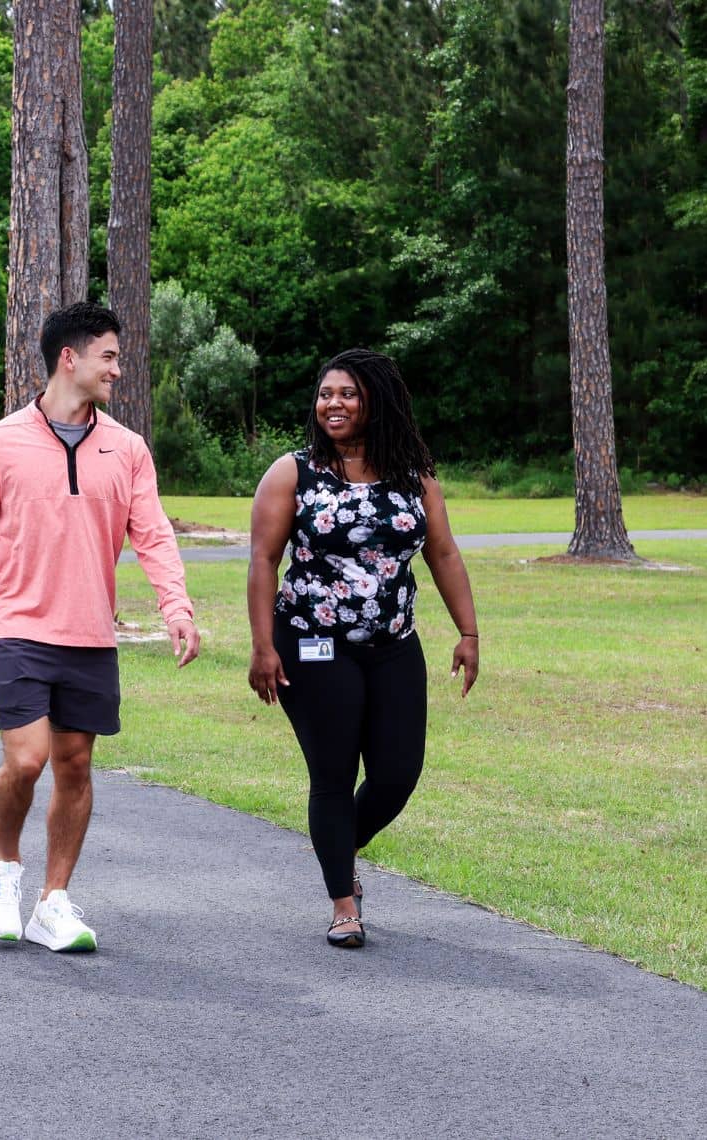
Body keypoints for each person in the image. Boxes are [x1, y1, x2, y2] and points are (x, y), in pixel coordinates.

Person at [0, 301, 201, 953]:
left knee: (75, 766)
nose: (118, 368)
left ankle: (52, 902)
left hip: (90, 635)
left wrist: (177, 607)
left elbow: (155, 536)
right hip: (18, 628)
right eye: (108, 355)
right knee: (25, 761)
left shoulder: (127, 450)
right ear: (70, 359)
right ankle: (2, 868)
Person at [247, 348, 480, 949]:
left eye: (347, 393)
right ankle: (343, 903)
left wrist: (469, 632)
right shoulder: (292, 473)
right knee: (332, 773)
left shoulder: (414, 477)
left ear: (375, 400)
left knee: (399, 773)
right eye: (326, 394)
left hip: (395, 644)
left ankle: (340, 839)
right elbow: (264, 560)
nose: (334, 404)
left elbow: (444, 553)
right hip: (312, 642)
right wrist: (262, 647)